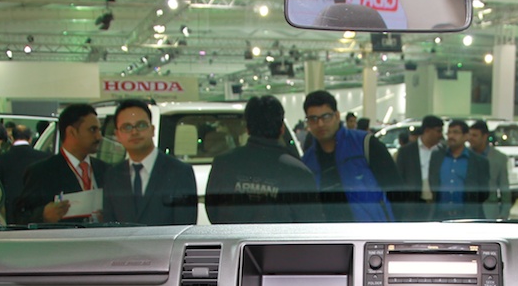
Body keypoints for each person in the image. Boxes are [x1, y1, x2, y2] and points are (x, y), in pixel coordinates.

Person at [205, 96, 322, 224]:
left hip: (233, 242)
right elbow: (310, 222)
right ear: (282, 128)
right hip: (281, 244)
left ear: (247, 128)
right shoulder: (300, 172)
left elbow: (213, 212)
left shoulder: (223, 164)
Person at [300, 90, 399, 222]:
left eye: (326, 117)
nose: (320, 124)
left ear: (337, 116)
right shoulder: (307, 162)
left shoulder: (365, 145)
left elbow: (396, 190)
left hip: (371, 235)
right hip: (330, 237)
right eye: (313, 119)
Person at [103, 99, 196, 226]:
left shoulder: (180, 172)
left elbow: (185, 227)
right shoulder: (112, 176)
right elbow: (109, 226)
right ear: (117, 135)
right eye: (127, 127)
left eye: (141, 125)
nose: (134, 132)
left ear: (152, 129)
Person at [18, 106, 105, 223]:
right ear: (71, 132)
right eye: (93, 130)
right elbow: (19, 218)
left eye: (100, 130)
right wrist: (42, 216)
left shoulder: (105, 170)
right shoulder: (42, 172)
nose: (99, 137)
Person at [428, 119, 490, 220]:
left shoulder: (479, 161)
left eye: (456, 132)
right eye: (449, 132)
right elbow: (433, 183)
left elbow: (484, 193)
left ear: (466, 136)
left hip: (468, 217)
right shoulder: (437, 157)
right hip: (440, 217)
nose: (451, 136)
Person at [0, 125, 48, 222]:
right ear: (30, 139)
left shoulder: (1, 160)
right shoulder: (45, 158)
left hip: (13, 211)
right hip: (39, 211)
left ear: (12, 138)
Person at [394, 115, 443, 220]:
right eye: (438, 131)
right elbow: (399, 178)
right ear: (427, 130)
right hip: (412, 205)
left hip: (436, 205)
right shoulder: (406, 152)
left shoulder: (443, 151)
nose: (441, 135)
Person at [467, 120, 510, 218]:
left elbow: (504, 189)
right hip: (468, 209)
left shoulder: (499, 158)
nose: (470, 139)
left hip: (490, 210)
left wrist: (504, 213)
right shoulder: (465, 156)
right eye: (469, 135)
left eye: (475, 135)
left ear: (485, 136)